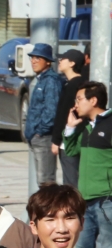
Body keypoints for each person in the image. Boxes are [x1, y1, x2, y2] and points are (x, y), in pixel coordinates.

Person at [64, 82, 112, 248]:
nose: (75, 105)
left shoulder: (109, 124)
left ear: (93, 100)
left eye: (79, 99)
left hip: (106, 201)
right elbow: (70, 150)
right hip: (85, 202)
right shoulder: (87, 127)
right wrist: (69, 127)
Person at [26, 43, 63, 187]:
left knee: (46, 181)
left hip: (44, 138)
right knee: (42, 180)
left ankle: (49, 209)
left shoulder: (51, 81)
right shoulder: (40, 79)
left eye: (38, 58)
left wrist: (40, 132)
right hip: (36, 137)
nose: (33, 61)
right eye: (32, 58)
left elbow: (51, 110)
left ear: (48, 61)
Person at [52, 49, 86, 188]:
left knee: (70, 180)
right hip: (77, 138)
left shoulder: (73, 85)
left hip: (69, 139)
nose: (60, 61)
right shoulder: (79, 83)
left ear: (72, 63)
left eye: (63, 59)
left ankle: (74, 208)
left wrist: (56, 140)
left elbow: (63, 114)